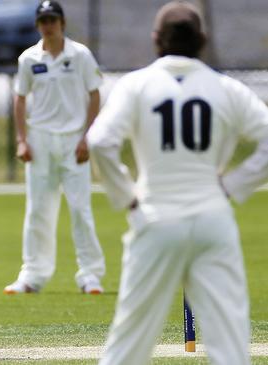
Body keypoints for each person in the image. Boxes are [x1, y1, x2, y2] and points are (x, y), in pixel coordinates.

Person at [87, 2, 268, 364]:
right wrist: (233, 186)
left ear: (156, 40)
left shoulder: (136, 85)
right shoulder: (225, 88)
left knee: (128, 344)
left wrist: (127, 195)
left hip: (155, 219)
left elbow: (98, 142)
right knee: (230, 346)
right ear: (202, 39)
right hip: (213, 218)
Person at [4, 0, 106, 295]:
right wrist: (22, 140)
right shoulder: (29, 59)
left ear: (62, 23)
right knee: (38, 209)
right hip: (41, 140)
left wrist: (88, 137)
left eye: (53, 20)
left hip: (74, 140)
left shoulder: (81, 55)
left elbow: (94, 94)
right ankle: (32, 276)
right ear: (38, 25)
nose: (48, 25)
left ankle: (90, 275)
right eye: (44, 20)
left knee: (80, 208)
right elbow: (20, 98)